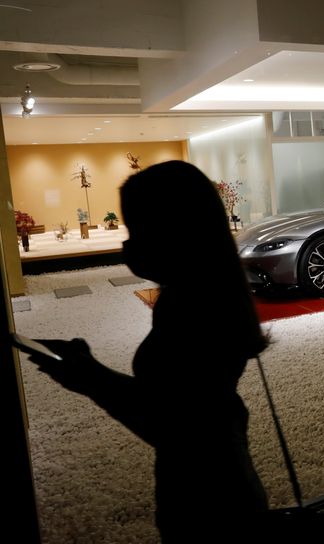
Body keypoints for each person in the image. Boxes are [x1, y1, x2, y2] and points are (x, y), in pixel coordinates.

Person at [27, 161, 269, 542]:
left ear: (173, 231)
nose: (128, 244)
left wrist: (89, 376)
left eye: (136, 230)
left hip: (210, 502)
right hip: (218, 483)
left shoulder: (196, 307)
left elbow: (172, 422)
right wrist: (90, 371)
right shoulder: (198, 293)